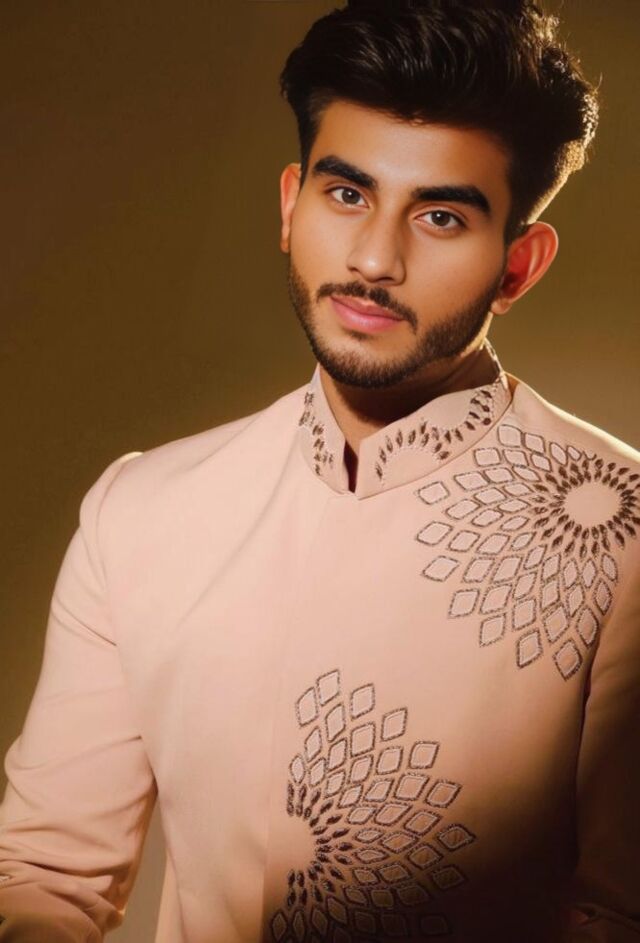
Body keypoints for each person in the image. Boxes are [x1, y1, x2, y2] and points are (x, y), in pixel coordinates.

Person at [1, 0, 638, 940]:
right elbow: (46, 870)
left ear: (519, 266)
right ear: (290, 205)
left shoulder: (624, 537)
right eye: (348, 195)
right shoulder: (140, 512)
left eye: (441, 216)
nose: (375, 258)